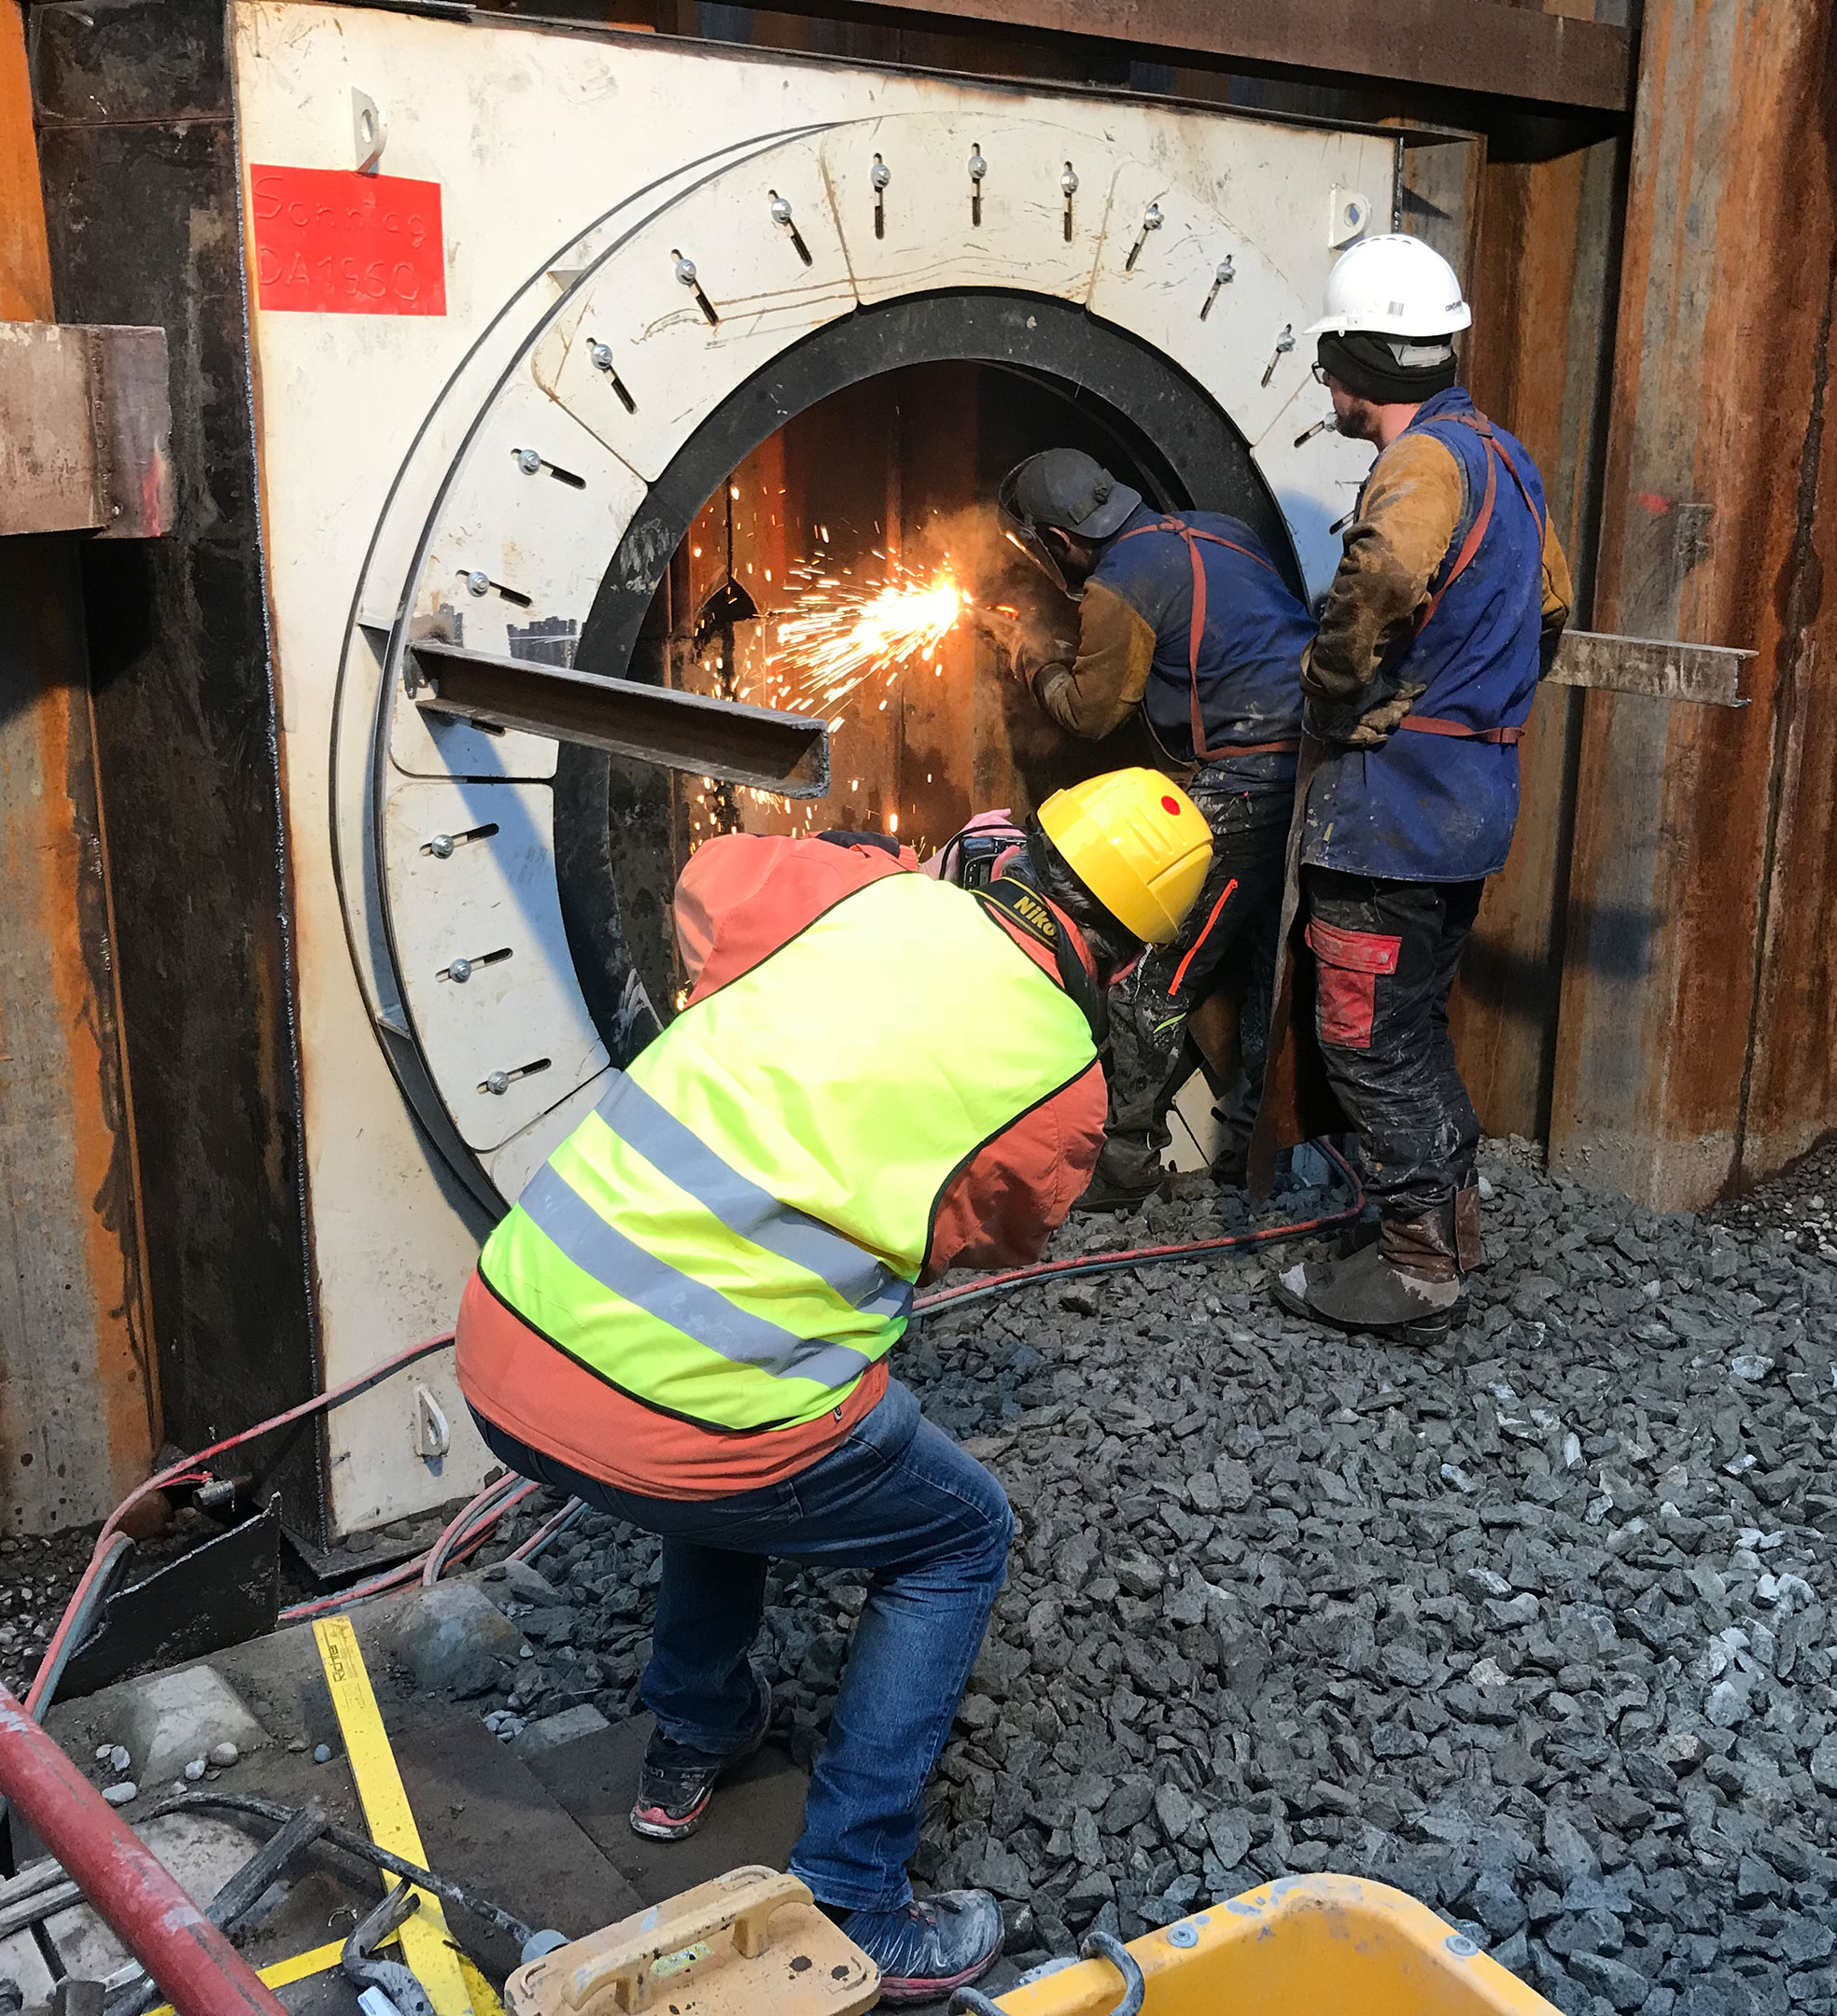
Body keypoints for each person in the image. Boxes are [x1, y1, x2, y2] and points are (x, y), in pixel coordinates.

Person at [452, 773, 1211, 2004]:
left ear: (1018, 843)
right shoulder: (1060, 1084)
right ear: (1128, 956)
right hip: (686, 1419)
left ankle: (690, 1741)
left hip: (508, 1331)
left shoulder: (858, 892)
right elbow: (990, 1233)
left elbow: (703, 887)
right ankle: (860, 1897)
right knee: (960, 1534)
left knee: (752, 1414)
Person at [1269, 233, 1573, 1339]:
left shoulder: (1421, 464)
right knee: (1409, 1024)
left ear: (1356, 359)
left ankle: (1415, 1271)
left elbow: (1386, 574)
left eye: (1331, 362)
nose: (1328, 387)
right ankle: (1450, 1228)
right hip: (1471, 801)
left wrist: (1333, 684)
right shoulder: (1505, 455)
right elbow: (1546, 616)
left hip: (1392, 805)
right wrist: (1468, 701)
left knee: (1362, 1031)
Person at [984, 447, 1314, 1211]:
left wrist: (1032, 659)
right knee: (1263, 969)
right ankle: (1254, 1154)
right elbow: (1206, 646)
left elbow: (1093, 713)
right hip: (1308, 766)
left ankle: (1125, 1164)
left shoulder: (1116, 585)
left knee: (1148, 977)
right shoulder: (1218, 530)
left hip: (1250, 782)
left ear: (1059, 542)